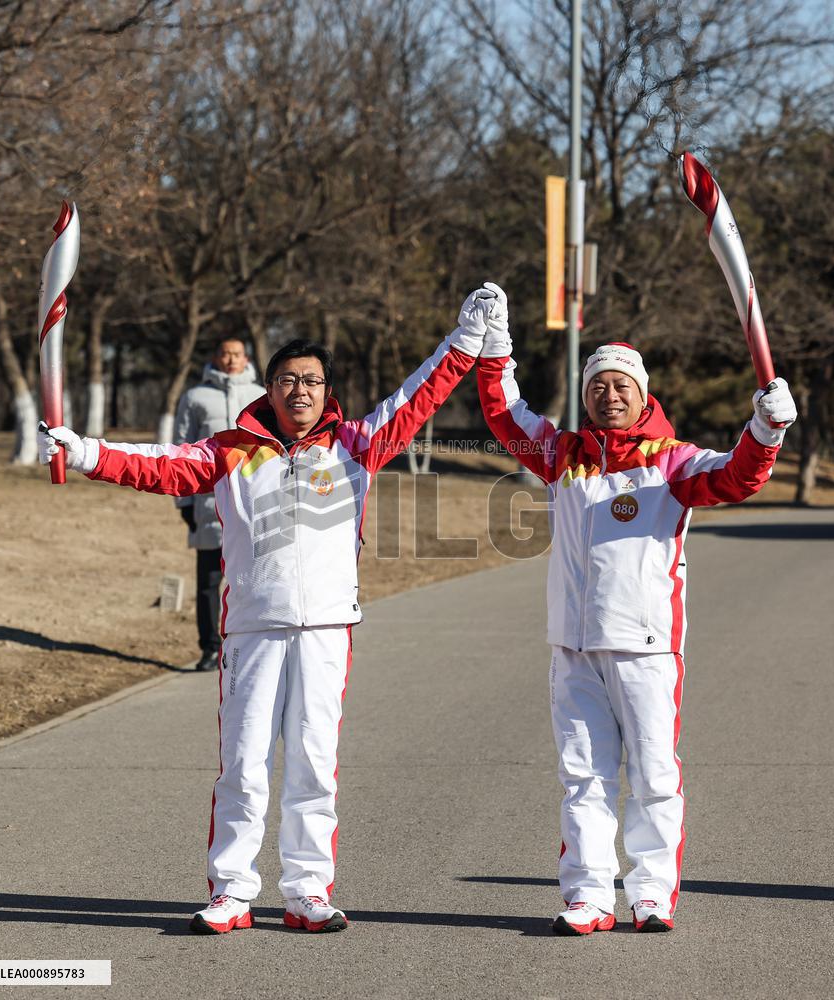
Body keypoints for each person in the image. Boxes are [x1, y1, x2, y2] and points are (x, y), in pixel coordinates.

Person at [37, 285, 501, 936]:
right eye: (288, 380)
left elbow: (417, 397)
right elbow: (155, 466)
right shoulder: (231, 449)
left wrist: (465, 339)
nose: (299, 390)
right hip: (252, 629)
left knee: (313, 763)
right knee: (243, 764)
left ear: (327, 391)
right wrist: (82, 449)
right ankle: (231, 891)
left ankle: (308, 890)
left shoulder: (357, 444)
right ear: (269, 388)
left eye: (311, 381)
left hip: (326, 629)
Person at [476, 289, 797, 935]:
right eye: (598, 386)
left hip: (646, 648)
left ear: (642, 393)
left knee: (653, 777)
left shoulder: (673, 460)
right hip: (574, 649)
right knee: (583, 779)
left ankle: (650, 894)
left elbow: (738, 477)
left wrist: (766, 430)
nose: (609, 395)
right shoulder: (562, 456)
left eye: (621, 385)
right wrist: (495, 348)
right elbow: (504, 414)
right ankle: (588, 897)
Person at [173, 338, 265, 672]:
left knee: (255, 581)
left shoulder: (262, 395)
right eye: (225, 353)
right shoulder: (194, 397)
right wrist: (184, 502)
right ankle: (210, 648)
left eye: (236, 354)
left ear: (246, 358)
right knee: (209, 583)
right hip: (208, 504)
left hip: (254, 505)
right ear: (216, 357)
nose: (231, 359)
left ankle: (253, 645)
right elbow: (180, 449)